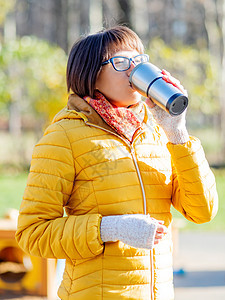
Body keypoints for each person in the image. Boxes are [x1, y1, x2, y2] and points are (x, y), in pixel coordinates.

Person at [15, 25, 218, 300]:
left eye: (139, 61)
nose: (134, 70)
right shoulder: (64, 136)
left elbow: (202, 211)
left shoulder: (157, 131)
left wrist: (178, 132)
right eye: (121, 62)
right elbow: (33, 233)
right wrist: (111, 228)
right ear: (91, 75)